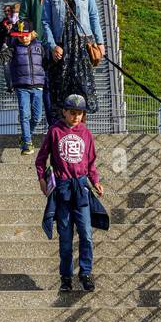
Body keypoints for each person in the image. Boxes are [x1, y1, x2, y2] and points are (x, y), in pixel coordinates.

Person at [35, 94, 103, 291]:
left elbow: (90, 163)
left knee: (86, 234)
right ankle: (66, 277)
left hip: (81, 189)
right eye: (72, 113)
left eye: (80, 113)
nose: (76, 117)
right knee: (65, 236)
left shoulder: (86, 134)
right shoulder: (55, 131)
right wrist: (42, 179)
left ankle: (86, 273)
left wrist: (95, 181)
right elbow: (41, 159)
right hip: (62, 190)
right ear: (64, 111)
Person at [41, 0, 103, 118]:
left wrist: (100, 42)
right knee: (61, 90)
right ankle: (62, 129)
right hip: (62, 46)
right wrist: (53, 46)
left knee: (83, 89)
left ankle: (81, 129)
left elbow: (94, 16)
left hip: (82, 45)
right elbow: (45, 23)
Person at [0, 19, 47, 155]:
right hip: (21, 87)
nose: (23, 38)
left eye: (25, 35)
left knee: (36, 117)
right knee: (25, 115)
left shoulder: (40, 47)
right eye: (20, 35)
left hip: (38, 86)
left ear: (32, 34)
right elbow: (2, 58)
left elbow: (46, 62)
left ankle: (25, 137)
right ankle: (27, 144)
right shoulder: (14, 48)